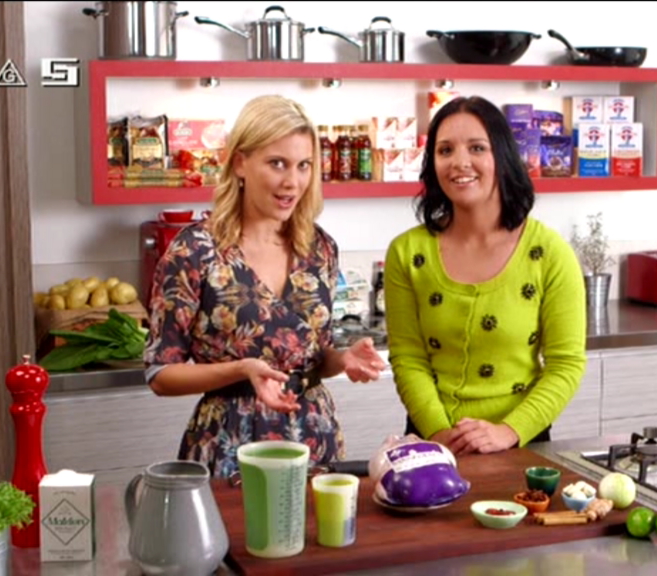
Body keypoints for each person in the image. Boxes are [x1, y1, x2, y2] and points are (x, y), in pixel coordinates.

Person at [144, 94, 387, 478]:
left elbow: (314, 357)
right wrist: (243, 369)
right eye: (277, 163)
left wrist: (343, 359)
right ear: (240, 163)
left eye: (304, 165)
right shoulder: (195, 251)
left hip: (314, 437)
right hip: (230, 444)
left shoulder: (318, 248)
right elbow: (160, 374)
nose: (292, 182)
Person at [384, 95, 587, 456]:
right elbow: (408, 357)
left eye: (477, 147)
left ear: (503, 157)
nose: (460, 162)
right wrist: (440, 433)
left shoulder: (550, 253)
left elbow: (566, 364)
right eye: (445, 150)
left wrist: (508, 432)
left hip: (521, 445)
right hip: (431, 443)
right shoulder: (407, 253)